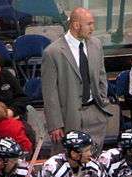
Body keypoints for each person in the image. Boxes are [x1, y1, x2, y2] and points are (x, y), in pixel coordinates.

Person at [41, 7, 111, 156]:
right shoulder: (52, 52)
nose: (93, 28)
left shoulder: (96, 44)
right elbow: (49, 93)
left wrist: (103, 101)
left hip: (95, 113)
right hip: (69, 117)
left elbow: (101, 75)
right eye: (89, 24)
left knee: (94, 163)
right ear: (76, 25)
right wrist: (55, 124)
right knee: (69, 162)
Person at [38, 131, 108, 177]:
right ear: (73, 153)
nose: (90, 154)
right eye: (86, 151)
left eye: (90, 149)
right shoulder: (51, 168)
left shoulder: (95, 167)